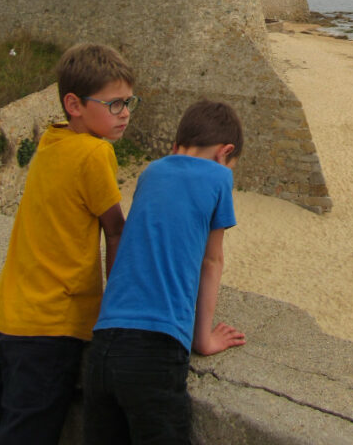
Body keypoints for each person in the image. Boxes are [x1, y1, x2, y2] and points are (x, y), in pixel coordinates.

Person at [0, 42, 137, 445]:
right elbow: (115, 230)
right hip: (49, 330)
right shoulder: (94, 152)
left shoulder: (51, 141)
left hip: (1, 320)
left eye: (128, 102)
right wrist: (115, 310)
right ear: (74, 104)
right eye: (115, 104)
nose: (126, 114)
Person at [84, 99, 246, 445]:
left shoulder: (151, 171)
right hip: (154, 350)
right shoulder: (219, 177)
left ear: (176, 147)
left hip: (103, 342)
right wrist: (203, 339)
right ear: (225, 152)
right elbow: (211, 261)